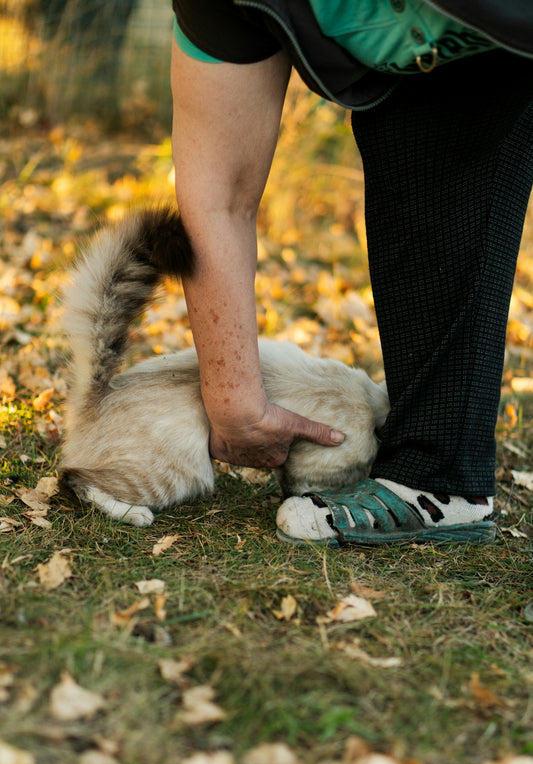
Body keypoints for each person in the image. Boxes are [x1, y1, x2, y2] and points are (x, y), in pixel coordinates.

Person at [170, 0, 533, 546]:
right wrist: (234, 399)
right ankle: (436, 478)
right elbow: (216, 197)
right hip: (429, 82)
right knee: (412, 125)